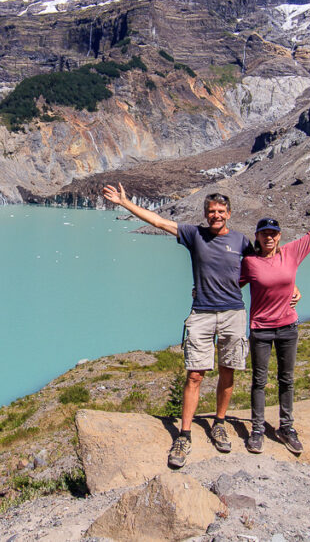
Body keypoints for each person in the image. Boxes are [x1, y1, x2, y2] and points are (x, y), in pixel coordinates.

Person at [101, 183, 299, 468]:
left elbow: (268, 264)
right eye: (211, 211)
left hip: (233, 313)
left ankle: (218, 423)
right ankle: (184, 433)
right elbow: (158, 221)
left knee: (227, 371)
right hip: (202, 313)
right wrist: (124, 202)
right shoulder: (194, 235)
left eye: (220, 211)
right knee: (195, 375)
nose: (215, 215)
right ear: (205, 214)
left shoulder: (243, 241)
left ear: (228, 213)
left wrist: (294, 287)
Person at [240, 189, 310, 455]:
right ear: (257, 237)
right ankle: (257, 429)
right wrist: (203, 291)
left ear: (279, 237)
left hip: (288, 327)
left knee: (286, 379)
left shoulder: (291, 253)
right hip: (261, 329)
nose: (269, 237)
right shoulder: (250, 262)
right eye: (264, 233)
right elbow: (232, 284)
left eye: (273, 233)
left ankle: (286, 427)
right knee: (259, 380)